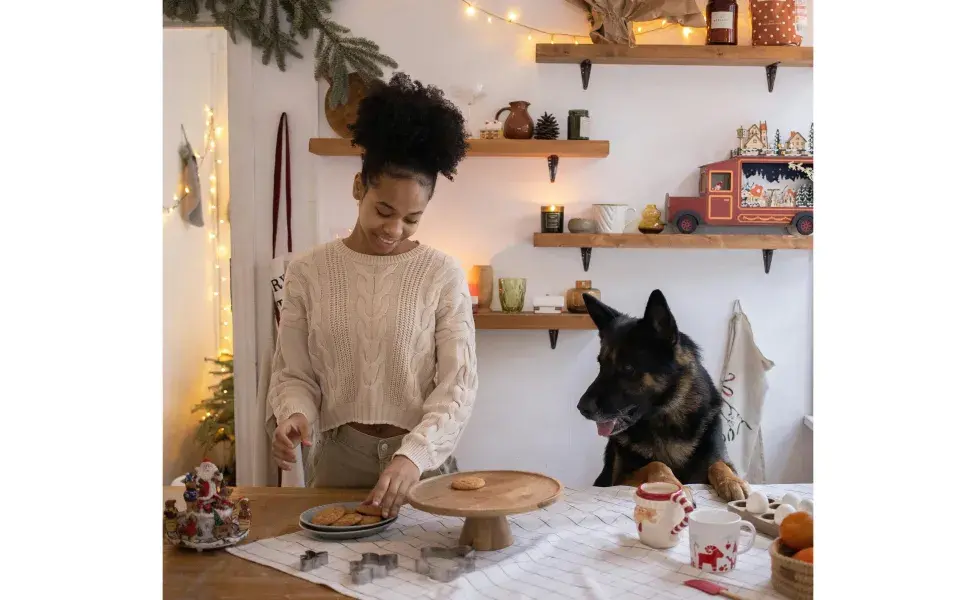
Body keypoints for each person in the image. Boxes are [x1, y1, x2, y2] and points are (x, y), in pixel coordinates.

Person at [267, 72, 477, 518]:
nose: (394, 229)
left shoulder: (441, 273)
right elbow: (294, 374)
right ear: (359, 187)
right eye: (384, 210)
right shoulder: (308, 271)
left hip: (421, 465)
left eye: (412, 218)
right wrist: (295, 417)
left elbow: (456, 385)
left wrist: (413, 454)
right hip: (339, 462)